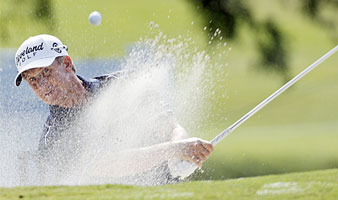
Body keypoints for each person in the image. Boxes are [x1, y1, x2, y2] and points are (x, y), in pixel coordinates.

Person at [14, 34, 213, 185]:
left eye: (46, 72)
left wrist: (182, 147)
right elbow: (111, 164)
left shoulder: (122, 84)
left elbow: (168, 125)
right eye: (33, 80)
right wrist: (174, 150)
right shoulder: (54, 138)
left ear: (66, 63)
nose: (42, 85)